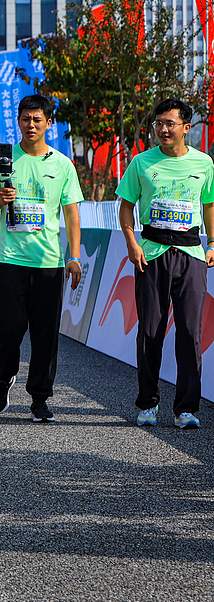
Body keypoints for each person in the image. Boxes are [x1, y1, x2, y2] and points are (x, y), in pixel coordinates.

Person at [0, 95, 83, 423]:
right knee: (7, 328)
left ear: (48, 123)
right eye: (26, 118)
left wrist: (74, 256)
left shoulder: (62, 165)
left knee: (45, 335)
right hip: (10, 260)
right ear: (19, 121)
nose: (31, 125)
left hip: (49, 264)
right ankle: (4, 376)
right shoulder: (4, 162)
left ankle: (40, 398)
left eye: (37, 119)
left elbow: (71, 214)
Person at [117, 97, 214, 428]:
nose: (162, 129)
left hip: (191, 255)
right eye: (158, 123)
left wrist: (212, 243)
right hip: (151, 253)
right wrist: (131, 242)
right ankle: (147, 404)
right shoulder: (142, 163)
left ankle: (186, 409)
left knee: (190, 332)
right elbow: (126, 206)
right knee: (149, 332)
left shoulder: (204, 163)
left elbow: (210, 205)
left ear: (186, 128)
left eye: (170, 123)